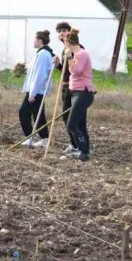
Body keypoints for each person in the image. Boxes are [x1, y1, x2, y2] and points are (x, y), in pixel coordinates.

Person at [53, 22, 84, 157]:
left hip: (75, 87)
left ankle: (80, 146)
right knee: (67, 117)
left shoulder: (77, 48)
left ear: (70, 32)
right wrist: (59, 65)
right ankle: (74, 144)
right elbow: (67, 71)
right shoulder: (64, 50)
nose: (62, 33)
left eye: (64, 30)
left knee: (74, 118)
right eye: (59, 31)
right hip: (66, 86)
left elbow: (78, 70)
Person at [63, 29, 94, 162]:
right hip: (76, 92)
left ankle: (82, 150)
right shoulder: (78, 55)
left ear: (68, 44)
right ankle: (85, 151)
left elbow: (76, 72)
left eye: (65, 44)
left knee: (72, 124)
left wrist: (69, 57)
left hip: (83, 92)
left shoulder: (81, 54)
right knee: (80, 124)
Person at [19, 30, 54, 148]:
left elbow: (40, 74)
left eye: (34, 39)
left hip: (36, 91)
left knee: (25, 113)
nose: (33, 41)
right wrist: (24, 69)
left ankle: (30, 138)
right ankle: (44, 140)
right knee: (37, 114)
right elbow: (34, 70)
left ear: (40, 40)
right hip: (36, 90)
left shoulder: (43, 54)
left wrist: (32, 93)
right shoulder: (41, 53)